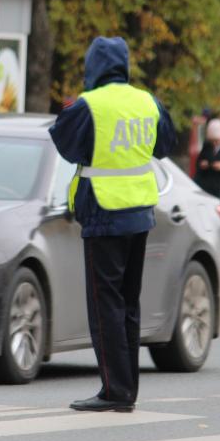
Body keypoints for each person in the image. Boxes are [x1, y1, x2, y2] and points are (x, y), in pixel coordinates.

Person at [49, 36, 176, 413]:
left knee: (105, 305)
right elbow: (164, 145)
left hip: (104, 214)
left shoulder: (89, 105)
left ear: (93, 66)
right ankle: (126, 388)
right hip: (139, 211)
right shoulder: (147, 101)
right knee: (128, 303)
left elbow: (66, 145)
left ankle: (114, 391)